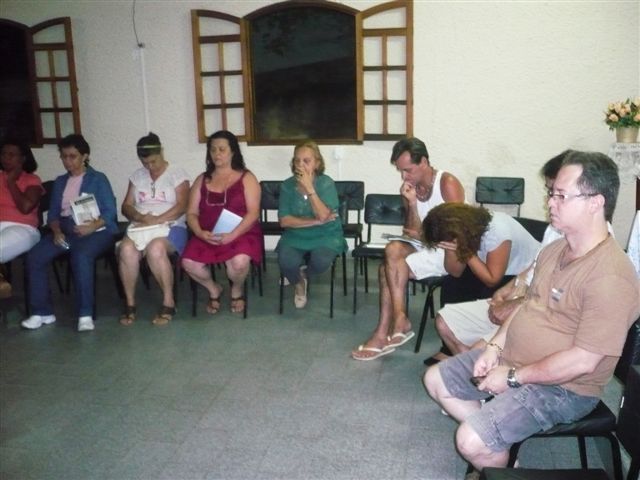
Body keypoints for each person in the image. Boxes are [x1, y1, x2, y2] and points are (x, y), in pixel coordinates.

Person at [424, 151, 640, 479]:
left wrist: (513, 377)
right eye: (551, 193)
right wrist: (494, 347)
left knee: (469, 440)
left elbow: (584, 362)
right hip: (514, 360)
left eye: (561, 195)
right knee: (436, 379)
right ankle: (505, 464)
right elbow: (526, 305)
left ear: (595, 203)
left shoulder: (611, 275)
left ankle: (489, 449)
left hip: (565, 388)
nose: (550, 202)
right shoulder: (555, 250)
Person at [352, 137, 465, 360]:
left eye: (408, 170)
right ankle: (399, 319)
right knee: (393, 249)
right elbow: (410, 230)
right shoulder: (410, 189)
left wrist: (421, 234)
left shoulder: (447, 183)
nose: (404, 177)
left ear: (424, 162)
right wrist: (412, 203)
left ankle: (383, 332)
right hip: (426, 245)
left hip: (449, 251)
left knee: (386, 269)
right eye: (400, 171)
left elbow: (455, 234)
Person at [21, 134, 118, 332]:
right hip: (66, 231)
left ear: (85, 156)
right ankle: (42, 312)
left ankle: (85, 314)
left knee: (80, 256)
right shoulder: (60, 181)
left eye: (72, 156)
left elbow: (110, 212)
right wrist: (56, 231)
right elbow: (53, 215)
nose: (67, 161)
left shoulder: (98, 179)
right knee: (35, 256)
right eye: (64, 157)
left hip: (96, 231)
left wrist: (92, 226)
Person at [181, 130, 262, 315]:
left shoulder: (246, 177)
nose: (216, 153)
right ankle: (214, 289)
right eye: (213, 149)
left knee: (239, 263)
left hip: (241, 232)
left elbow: (253, 213)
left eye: (222, 149)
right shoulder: (202, 179)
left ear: (232, 151)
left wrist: (233, 235)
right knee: (188, 263)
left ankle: (236, 290)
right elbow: (191, 213)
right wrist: (199, 233)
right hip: (207, 234)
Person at [118, 132, 189, 326]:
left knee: (155, 249)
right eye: (145, 163)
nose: (150, 167)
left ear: (161, 153)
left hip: (171, 225)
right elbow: (126, 206)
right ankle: (130, 303)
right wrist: (140, 217)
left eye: (153, 162)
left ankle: (169, 302)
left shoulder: (177, 174)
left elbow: (182, 206)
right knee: (126, 250)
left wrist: (157, 220)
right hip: (142, 225)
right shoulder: (137, 176)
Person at [277, 140, 347, 308]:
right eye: (297, 160)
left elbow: (324, 215)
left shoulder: (326, 183)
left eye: (306, 161)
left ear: (317, 163)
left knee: (321, 261)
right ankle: (299, 284)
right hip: (295, 235)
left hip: (326, 234)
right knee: (285, 261)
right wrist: (315, 221)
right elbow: (284, 221)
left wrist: (310, 188)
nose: (300, 165)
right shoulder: (287, 185)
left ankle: (302, 274)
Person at [0, 139, 45, 298]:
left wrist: (11, 182)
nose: (6, 158)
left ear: (23, 158)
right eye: (3, 154)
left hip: (23, 229)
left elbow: (25, 207)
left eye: (11, 155)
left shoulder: (32, 180)